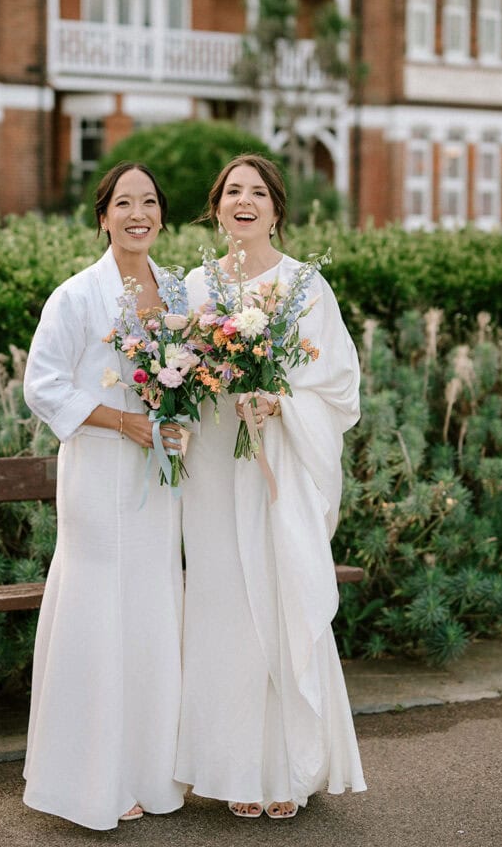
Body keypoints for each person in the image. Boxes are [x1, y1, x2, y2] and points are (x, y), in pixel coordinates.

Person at [175, 154, 366, 818]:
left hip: (279, 468)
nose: (245, 201)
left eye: (258, 192)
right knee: (225, 608)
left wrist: (282, 402)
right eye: (233, 191)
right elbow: (177, 373)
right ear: (217, 206)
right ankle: (234, 772)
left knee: (281, 603)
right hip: (214, 473)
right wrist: (195, 381)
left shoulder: (305, 287)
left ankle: (287, 769)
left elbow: (340, 383)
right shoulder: (195, 289)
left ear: (277, 210)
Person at [22, 162, 186, 830]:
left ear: (161, 217)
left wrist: (178, 420)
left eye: (149, 201)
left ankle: (149, 770)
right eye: (124, 202)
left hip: (158, 480)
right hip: (97, 473)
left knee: (150, 615)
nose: (137, 212)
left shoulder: (176, 292)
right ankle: (90, 781)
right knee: (97, 614)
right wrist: (123, 422)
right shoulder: (76, 296)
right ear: (103, 216)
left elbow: (189, 380)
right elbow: (44, 385)